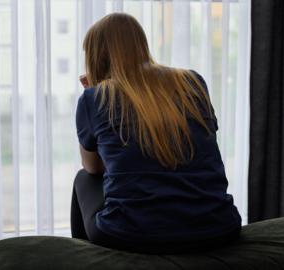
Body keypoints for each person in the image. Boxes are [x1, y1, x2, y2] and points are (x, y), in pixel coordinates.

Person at [71, 12, 242, 254]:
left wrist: (92, 96)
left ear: (97, 56)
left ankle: (80, 258)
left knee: (83, 178)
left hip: (132, 233)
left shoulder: (94, 97)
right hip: (218, 227)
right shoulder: (191, 82)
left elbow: (94, 167)